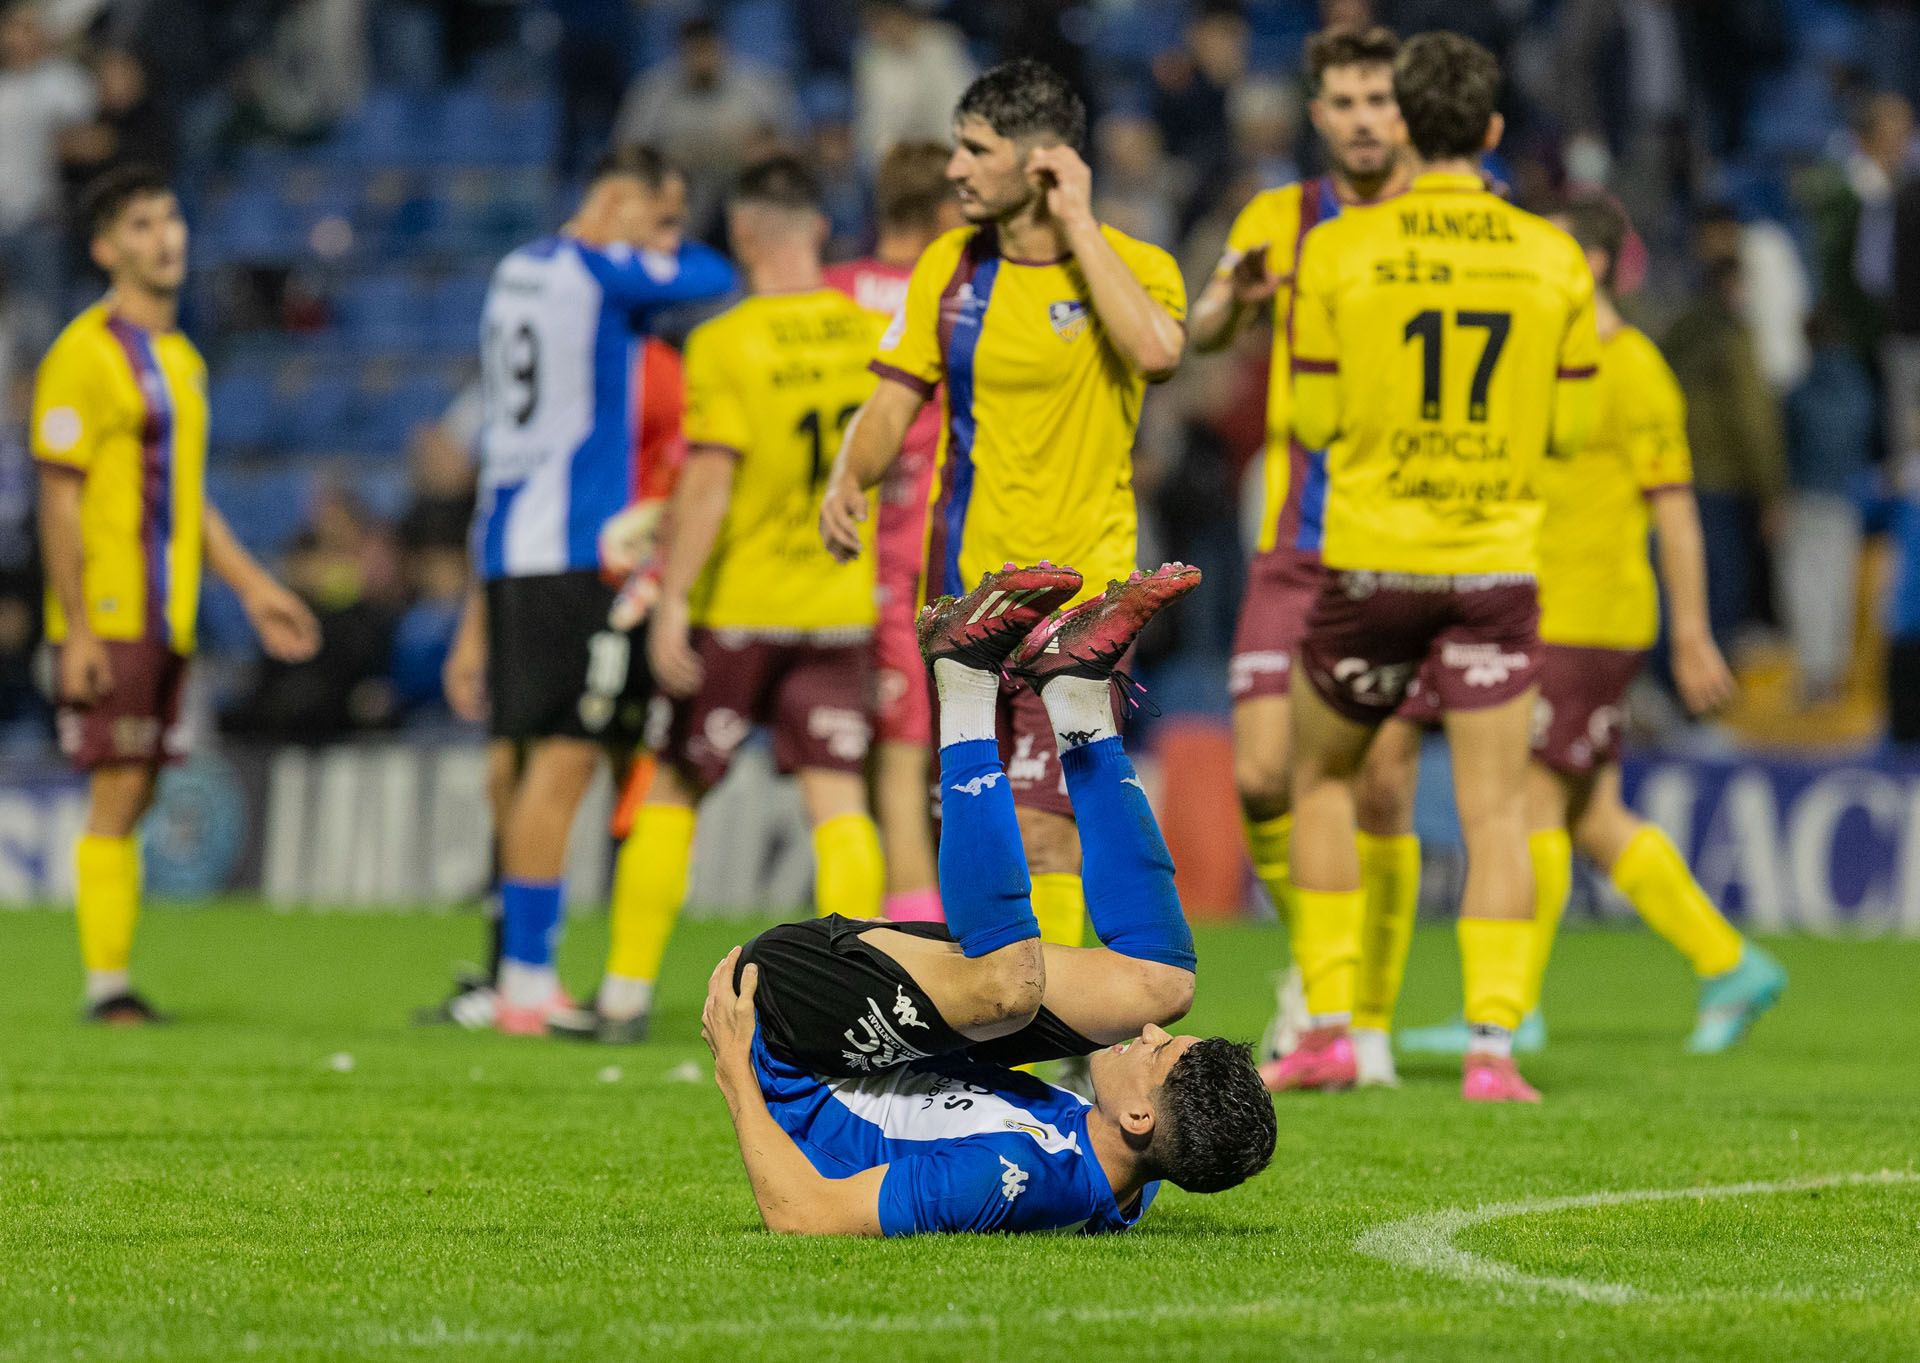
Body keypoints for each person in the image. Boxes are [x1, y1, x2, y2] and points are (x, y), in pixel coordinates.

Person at [701, 562, 1275, 1235]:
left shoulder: (1008, 1177)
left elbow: (804, 1216)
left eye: (1158, 1053)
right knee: (1161, 984)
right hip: (908, 1038)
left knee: (1009, 983)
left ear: (1141, 1119)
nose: (1146, 1038)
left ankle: (965, 675)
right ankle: (1079, 698)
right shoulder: (1124, 1178)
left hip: (794, 1035)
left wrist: (739, 1074)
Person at [1279, 32, 1599, 1103]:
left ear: (1406, 126)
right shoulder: (1554, 258)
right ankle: (1491, 1050)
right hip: (1494, 564)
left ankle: (1328, 1024)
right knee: (1497, 810)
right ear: (1497, 131)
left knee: (1319, 775)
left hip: (1373, 557)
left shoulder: (1338, 251)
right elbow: (1568, 426)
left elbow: (1312, 417)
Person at [1398, 196, 1787, 1059]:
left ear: (1600, 264)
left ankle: (1510, 1007)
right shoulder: (1542, 360)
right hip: (1548, 609)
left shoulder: (1634, 366)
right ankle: (1729, 961)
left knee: (1529, 799)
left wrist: (1692, 629)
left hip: (1587, 617)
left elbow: (1677, 509)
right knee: (1592, 812)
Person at [821, 59, 1187, 957]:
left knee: (1050, 829)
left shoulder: (1134, 268)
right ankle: (1013, 1021)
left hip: (1087, 601)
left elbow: (1157, 351)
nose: (955, 168)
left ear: (1040, 161)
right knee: (982, 825)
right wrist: (846, 477)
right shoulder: (949, 266)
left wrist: (1077, 223)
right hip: (975, 594)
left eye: (977, 150)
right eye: (957, 145)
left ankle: (1046, 1036)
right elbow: (893, 399)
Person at [577, 156, 888, 1043]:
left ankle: (625, 995)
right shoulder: (870, 333)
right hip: (838, 607)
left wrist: (671, 601)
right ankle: (852, 1002)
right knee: (839, 801)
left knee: (675, 786)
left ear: (744, 235)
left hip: (738, 606)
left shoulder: (725, 341)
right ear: (819, 228)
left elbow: (709, 485)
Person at [441, 144, 735, 1037]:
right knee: (566, 764)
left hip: (510, 544)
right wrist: (649, 248)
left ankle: (518, 971)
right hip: (577, 545)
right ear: (612, 202)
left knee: (535, 764)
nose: (667, 240)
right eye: (659, 216)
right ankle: (529, 981)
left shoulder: (515, 271)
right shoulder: (598, 275)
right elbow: (715, 272)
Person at [1187, 25, 1417, 1091]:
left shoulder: (1441, 226)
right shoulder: (1278, 220)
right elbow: (1203, 333)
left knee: (1381, 784)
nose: (1365, 116)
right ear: (1317, 115)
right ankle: (1316, 973)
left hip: (1408, 544)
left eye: (1382, 98)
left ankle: (1357, 1015)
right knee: (1268, 772)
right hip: (1292, 543)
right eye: (1347, 100)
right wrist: (1231, 299)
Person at [34, 165, 319, 1023]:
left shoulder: (180, 359)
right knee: (119, 786)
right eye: (142, 226)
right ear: (105, 249)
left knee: (143, 786)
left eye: (171, 220)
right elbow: (59, 497)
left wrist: (255, 587)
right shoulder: (83, 354)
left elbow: (185, 499)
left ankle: (113, 978)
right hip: (113, 611)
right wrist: (76, 627)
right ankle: (106, 987)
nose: (166, 238)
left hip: (170, 614)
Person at [823, 141, 965, 927]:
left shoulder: (830, 292)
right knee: (915, 764)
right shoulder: (953, 292)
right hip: (928, 548)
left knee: (857, 767)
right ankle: (919, 939)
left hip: (835, 552)